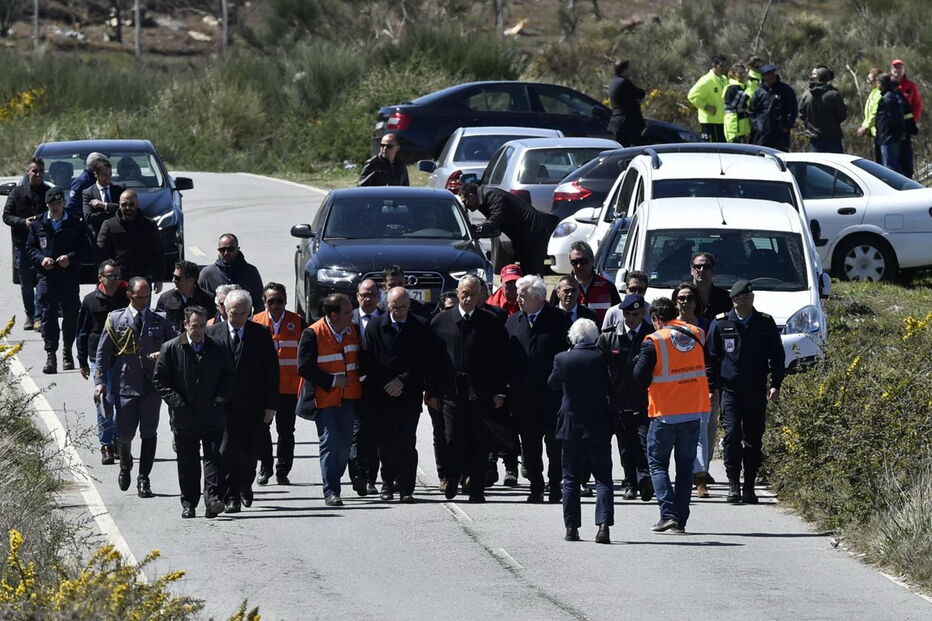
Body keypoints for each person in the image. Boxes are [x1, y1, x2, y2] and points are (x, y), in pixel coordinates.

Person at [95, 277, 177, 497]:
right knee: (124, 434)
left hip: (151, 386)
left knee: (149, 433)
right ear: (129, 295)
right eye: (140, 297)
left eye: (147, 297)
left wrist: (164, 354)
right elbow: (102, 354)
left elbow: (176, 345)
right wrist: (100, 382)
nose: (144, 301)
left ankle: (144, 479)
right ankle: (125, 463)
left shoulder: (160, 320)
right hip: (124, 385)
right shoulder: (115, 319)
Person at [633, 297, 710, 534]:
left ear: (655, 319)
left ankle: (668, 515)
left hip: (665, 413)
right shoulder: (697, 332)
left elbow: (639, 376)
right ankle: (681, 519)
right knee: (685, 468)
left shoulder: (654, 340)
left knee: (657, 465)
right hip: (693, 411)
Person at [429, 276, 507, 503]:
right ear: (457, 292)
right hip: (450, 392)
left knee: (479, 440)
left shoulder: (491, 323)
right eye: (464, 293)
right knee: (452, 437)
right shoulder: (440, 322)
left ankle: (476, 488)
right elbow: (432, 361)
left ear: (481, 295)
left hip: (480, 391)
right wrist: (432, 391)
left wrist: (499, 391)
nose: (468, 297)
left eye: (473, 293)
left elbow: (501, 361)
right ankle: (453, 476)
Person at [706, 280, 785, 504]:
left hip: (756, 389)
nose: (744, 301)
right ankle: (733, 485)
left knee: (753, 439)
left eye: (748, 296)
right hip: (730, 390)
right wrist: (711, 388)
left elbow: (777, 356)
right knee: (732, 435)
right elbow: (711, 359)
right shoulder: (721, 324)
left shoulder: (765, 323)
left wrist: (775, 384)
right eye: (740, 297)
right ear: (733, 300)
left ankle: (749, 486)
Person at [153, 306, 234, 519]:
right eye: (194, 325)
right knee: (187, 463)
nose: (198, 330)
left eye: (201, 326)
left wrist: (219, 398)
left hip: (212, 415)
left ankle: (213, 501)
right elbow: (160, 380)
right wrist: (177, 402)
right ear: (185, 325)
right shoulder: (170, 348)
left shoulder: (217, 348)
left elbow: (228, 376)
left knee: (213, 458)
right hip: (184, 416)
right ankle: (189, 503)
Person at [207, 289, 279, 513]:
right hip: (223, 404)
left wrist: (271, 405)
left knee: (249, 452)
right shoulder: (213, 333)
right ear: (224, 310)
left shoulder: (260, 333)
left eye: (242, 314)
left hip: (253, 404)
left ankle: (245, 484)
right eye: (233, 313)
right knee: (227, 450)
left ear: (250, 312)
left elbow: (271, 371)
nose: (237, 318)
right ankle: (232, 495)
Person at [362, 287, 433, 502]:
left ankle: (406, 487)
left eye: (403, 307)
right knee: (385, 443)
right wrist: (387, 383)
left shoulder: (420, 326)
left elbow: (425, 362)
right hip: (382, 394)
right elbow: (368, 361)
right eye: (395, 307)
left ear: (409, 306)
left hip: (408, 395)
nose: (399, 312)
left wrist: (402, 381)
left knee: (406, 443)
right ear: (387, 306)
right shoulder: (376, 325)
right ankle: (387, 482)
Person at [506, 275, 571, 503]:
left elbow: (567, 355)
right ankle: (536, 486)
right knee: (530, 446)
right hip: (524, 397)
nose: (518, 299)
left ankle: (555, 486)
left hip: (552, 396)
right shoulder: (513, 321)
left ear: (537, 297)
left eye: (522, 295)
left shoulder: (559, 319)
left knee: (555, 445)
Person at [548, 318, 613, 544]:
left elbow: (553, 384)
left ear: (572, 337)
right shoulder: (603, 357)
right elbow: (612, 385)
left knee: (571, 479)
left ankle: (571, 528)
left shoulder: (562, 358)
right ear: (595, 337)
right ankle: (603, 526)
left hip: (570, 426)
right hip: (598, 424)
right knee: (603, 478)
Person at [297, 293, 362, 506]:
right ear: (333, 316)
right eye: (346, 312)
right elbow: (304, 368)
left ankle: (335, 477)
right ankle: (331, 490)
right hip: (323, 400)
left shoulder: (352, 330)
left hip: (349, 397)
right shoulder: (312, 333)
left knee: (344, 446)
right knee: (329, 442)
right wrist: (333, 381)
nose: (351, 315)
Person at [26, 186, 91, 374]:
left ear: (63, 202)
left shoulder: (75, 223)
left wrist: (70, 258)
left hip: (68, 276)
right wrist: (41, 259)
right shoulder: (39, 224)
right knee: (48, 315)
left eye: (58, 203)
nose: (55, 207)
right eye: (52, 204)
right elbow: (30, 248)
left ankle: (67, 351)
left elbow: (85, 248)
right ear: (47, 205)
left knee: (71, 314)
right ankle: (51, 354)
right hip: (46, 276)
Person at [600, 293, 654, 501]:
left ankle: (644, 479)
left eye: (636, 314)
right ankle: (630, 482)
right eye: (628, 314)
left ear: (643, 314)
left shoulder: (651, 335)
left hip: (644, 399)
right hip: (618, 399)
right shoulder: (609, 336)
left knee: (644, 441)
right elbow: (600, 367)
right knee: (625, 445)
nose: (632, 318)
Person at [76, 260, 129, 465]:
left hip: (124, 358)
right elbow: (82, 332)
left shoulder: (126, 298)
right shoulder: (90, 300)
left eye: (118, 276)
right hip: (99, 360)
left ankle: (118, 440)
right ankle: (106, 445)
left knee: (123, 403)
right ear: (100, 278)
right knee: (105, 402)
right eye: (110, 276)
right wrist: (82, 361)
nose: (115, 280)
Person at [252, 283, 305, 486]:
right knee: (261, 429)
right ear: (264, 302)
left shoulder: (297, 321)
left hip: (289, 387)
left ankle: (282, 471)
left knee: (286, 431)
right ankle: (265, 466)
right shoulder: (256, 321)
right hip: (264, 388)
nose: (276, 305)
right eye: (271, 301)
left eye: (280, 300)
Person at [459, 183, 558, 276]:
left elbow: (495, 222)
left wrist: (474, 231)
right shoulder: (484, 199)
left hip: (534, 233)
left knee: (532, 272)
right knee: (527, 272)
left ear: (471, 196)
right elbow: (495, 228)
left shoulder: (492, 196)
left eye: (465, 201)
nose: (466, 206)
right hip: (524, 236)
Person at [673, 282, 714, 498]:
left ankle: (700, 478)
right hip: (673, 390)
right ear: (675, 302)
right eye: (681, 298)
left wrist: (711, 385)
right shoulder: (668, 328)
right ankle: (683, 475)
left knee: (700, 432)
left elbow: (712, 359)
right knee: (677, 435)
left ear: (696, 302)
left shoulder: (707, 326)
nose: (685, 302)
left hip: (700, 388)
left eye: (689, 298)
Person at [3, 157, 49, 331]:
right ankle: (29, 315)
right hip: (22, 245)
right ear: (28, 172)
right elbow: (6, 216)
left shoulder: (47, 192)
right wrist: (23, 222)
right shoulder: (17, 193)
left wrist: (40, 222)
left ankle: (39, 317)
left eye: (41, 171)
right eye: (34, 171)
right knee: (26, 285)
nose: (38, 174)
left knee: (42, 282)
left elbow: (57, 213)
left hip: (43, 247)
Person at [350, 278, 383, 496]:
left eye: (372, 294)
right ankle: (358, 476)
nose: (368, 299)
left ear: (379, 297)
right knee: (356, 433)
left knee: (376, 435)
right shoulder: (347, 318)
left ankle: (372, 477)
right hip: (352, 385)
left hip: (379, 386)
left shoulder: (385, 319)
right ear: (357, 296)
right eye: (364, 295)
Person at [97, 189, 163, 291]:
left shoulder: (149, 225)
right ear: (119, 204)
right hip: (116, 280)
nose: (128, 208)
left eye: (132, 204)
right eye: (124, 204)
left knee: (141, 306)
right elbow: (101, 252)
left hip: (143, 277)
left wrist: (159, 278)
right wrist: (103, 278)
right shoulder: (109, 225)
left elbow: (158, 251)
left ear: (137, 204)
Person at [548, 241, 619, 324]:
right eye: (575, 262)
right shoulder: (562, 289)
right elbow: (550, 316)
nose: (579, 266)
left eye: (583, 261)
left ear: (592, 260)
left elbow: (619, 315)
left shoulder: (607, 286)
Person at [197, 233, 264, 313]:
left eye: (230, 249)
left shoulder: (250, 272)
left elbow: (260, 305)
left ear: (238, 248)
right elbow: (198, 304)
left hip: (244, 323)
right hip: (216, 323)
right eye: (222, 250)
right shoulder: (207, 274)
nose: (226, 253)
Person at [155, 260, 216, 331]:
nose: (173, 280)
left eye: (177, 278)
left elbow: (213, 326)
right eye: (173, 276)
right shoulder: (165, 299)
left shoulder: (208, 300)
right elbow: (157, 324)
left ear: (191, 280)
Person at [799, 66, 848, 153]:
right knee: (835, 165)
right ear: (828, 78)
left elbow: (801, 115)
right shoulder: (834, 95)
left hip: (813, 139)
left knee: (815, 165)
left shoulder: (807, 94)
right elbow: (842, 115)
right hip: (832, 138)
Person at [749, 64, 798, 151]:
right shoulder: (759, 92)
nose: (771, 76)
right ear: (763, 76)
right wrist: (758, 126)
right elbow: (752, 111)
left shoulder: (785, 89)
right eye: (768, 74)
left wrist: (787, 125)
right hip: (763, 133)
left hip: (781, 132)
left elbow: (793, 108)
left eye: (772, 73)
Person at [891, 59, 922, 178]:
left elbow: (917, 105)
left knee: (906, 161)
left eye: (899, 67)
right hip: (891, 130)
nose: (897, 70)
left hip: (905, 129)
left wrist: (911, 124)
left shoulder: (910, 86)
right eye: (895, 67)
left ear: (904, 70)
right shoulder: (887, 85)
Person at [82, 159, 125, 242]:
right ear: (96, 174)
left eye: (110, 174)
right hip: (99, 236)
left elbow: (124, 209)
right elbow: (88, 217)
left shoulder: (119, 189)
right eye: (104, 175)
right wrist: (114, 213)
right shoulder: (88, 193)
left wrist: (104, 205)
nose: (108, 178)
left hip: (119, 234)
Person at [687, 55, 728, 142]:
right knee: (710, 151)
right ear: (714, 65)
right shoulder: (706, 80)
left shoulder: (724, 79)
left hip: (723, 122)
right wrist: (706, 107)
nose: (724, 68)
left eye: (725, 66)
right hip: (710, 123)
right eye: (721, 66)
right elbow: (692, 95)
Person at [607, 60, 646, 147]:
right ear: (624, 70)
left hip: (617, 122)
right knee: (637, 147)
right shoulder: (624, 82)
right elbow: (640, 94)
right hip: (627, 123)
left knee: (621, 150)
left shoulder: (613, 82)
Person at [876, 73, 905, 174]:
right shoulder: (888, 96)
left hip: (889, 137)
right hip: (887, 137)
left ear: (881, 83)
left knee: (890, 167)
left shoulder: (888, 98)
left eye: (878, 82)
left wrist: (898, 133)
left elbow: (896, 118)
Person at [690, 252, 731, 320]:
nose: (701, 270)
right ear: (691, 270)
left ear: (713, 270)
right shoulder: (682, 297)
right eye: (698, 267)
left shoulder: (726, 298)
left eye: (706, 267)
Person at [857, 68, 883, 162]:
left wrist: (865, 127)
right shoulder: (873, 93)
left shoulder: (879, 93)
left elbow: (874, 113)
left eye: (870, 80)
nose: (868, 82)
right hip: (874, 133)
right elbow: (868, 114)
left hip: (880, 132)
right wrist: (864, 125)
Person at [723, 63, 752, 143]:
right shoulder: (732, 88)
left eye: (744, 73)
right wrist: (750, 86)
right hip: (734, 126)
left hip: (742, 126)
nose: (742, 75)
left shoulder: (742, 86)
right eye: (740, 73)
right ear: (733, 74)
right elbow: (742, 102)